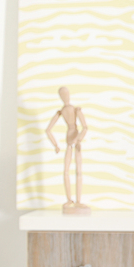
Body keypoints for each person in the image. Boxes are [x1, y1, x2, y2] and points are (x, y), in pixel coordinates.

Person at [45, 86, 89, 214]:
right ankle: (72, 200)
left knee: (72, 171)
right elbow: (85, 127)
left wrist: (56, 144)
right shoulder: (70, 110)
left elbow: (85, 127)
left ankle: (76, 200)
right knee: (70, 171)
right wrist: (56, 144)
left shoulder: (66, 111)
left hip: (72, 138)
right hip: (72, 138)